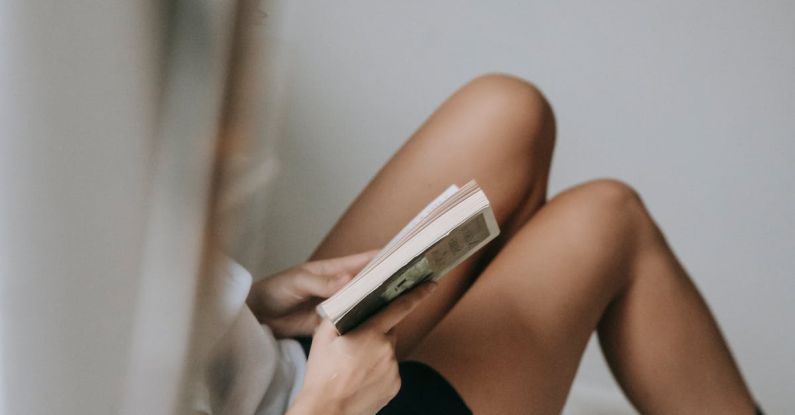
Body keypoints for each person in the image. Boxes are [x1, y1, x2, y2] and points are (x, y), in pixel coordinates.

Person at [210, 74, 759, 414]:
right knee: (607, 218)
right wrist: (332, 402)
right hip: (319, 406)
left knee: (508, 109)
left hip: (270, 365)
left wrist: (252, 303)